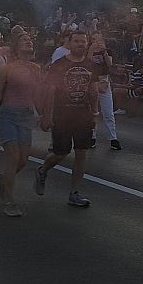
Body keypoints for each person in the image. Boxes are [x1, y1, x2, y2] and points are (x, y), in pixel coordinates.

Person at [34, 31, 99, 207]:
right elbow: (50, 92)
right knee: (61, 153)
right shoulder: (59, 65)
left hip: (83, 115)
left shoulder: (90, 65)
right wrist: (46, 115)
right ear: (69, 43)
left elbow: (93, 90)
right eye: (76, 41)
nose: (80, 44)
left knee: (81, 152)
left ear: (87, 44)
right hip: (62, 115)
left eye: (83, 41)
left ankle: (74, 192)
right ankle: (43, 170)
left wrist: (95, 114)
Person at [0, 34, 42, 217]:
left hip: (26, 116)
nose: (29, 42)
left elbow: (37, 94)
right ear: (17, 47)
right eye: (24, 40)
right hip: (8, 114)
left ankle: (3, 179)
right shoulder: (8, 68)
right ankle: (10, 201)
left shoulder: (36, 68)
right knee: (13, 157)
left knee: (23, 160)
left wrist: (44, 115)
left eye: (30, 40)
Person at [87, 33, 120, 150]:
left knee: (108, 112)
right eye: (93, 39)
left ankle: (113, 138)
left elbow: (110, 64)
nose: (96, 42)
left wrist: (104, 52)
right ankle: (92, 137)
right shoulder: (88, 50)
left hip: (104, 83)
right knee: (93, 112)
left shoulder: (107, 51)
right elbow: (87, 63)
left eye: (98, 39)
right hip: (92, 83)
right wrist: (91, 50)